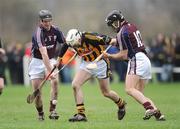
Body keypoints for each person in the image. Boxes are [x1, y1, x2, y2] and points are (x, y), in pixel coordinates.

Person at [103, 10, 165, 121]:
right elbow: (129, 40)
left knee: (129, 89)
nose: (113, 26)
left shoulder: (122, 32)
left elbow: (123, 55)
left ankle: (149, 108)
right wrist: (116, 41)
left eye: (113, 23)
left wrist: (109, 56)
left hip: (136, 59)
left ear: (117, 21)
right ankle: (158, 114)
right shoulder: (131, 26)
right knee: (139, 93)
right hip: (145, 59)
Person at [59, 29, 126, 122]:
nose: (74, 47)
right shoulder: (71, 41)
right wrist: (59, 59)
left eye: (75, 44)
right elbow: (65, 45)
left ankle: (121, 104)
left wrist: (113, 41)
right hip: (86, 63)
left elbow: (108, 40)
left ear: (79, 38)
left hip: (101, 63)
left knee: (106, 92)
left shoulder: (90, 37)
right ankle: (81, 114)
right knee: (75, 84)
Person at [28, 10, 66, 121]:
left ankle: (52, 110)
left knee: (55, 82)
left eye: (49, 21)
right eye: (45, 21)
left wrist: (75, 47)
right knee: (38, 93)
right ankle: (40, 113)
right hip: (37, 61)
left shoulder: (56, 30)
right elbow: (43, 53)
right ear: (40, 21)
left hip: (51, 59)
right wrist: (50, 71)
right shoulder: (38, 33)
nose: (48, 24)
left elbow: (65, 43)